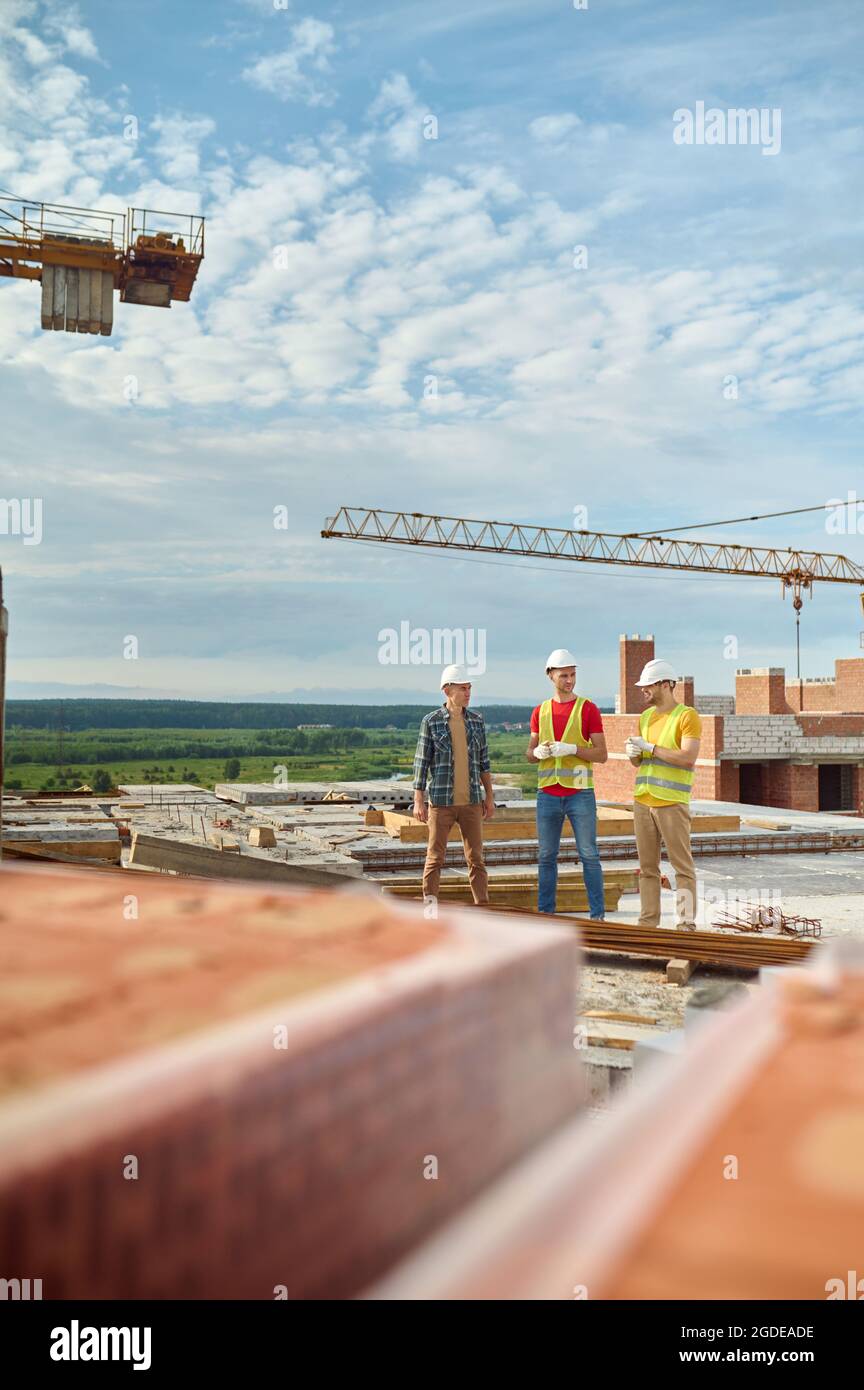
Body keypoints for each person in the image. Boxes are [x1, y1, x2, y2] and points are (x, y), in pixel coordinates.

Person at [525, 648, 606, 918]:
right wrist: (536, 754)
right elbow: (530, 753)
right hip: (547, 795)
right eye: (564, 676)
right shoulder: (540, 711)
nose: (569, 680)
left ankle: (598, 917)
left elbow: (601, 754)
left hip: (580, 794)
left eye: (572, 675)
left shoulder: (588, 709)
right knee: (546, 857)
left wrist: (572, 749)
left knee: (589, 855)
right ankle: (546, 915)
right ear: (550, 676)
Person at [625, 659, 702, 930]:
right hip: (643, 800)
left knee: (682, 867)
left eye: (648, 685)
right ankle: (647, 924)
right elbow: (642, 761)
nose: (643, 690)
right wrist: (635, 755)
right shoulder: (646, 717)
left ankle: (686, 924)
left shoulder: (686, 716)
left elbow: (688, 758)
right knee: (647, 869)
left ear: (665, 684)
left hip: (671, 804)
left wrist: (652, 747)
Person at [413, 664, 494, 906]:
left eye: (469, 688)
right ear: (447, 690)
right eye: (463, 688)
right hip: (441, 803)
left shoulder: (477, 721)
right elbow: (421, 763)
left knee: (476, 859)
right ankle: (429, 909)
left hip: (471, 802)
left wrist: (489, 796)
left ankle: (483, 908)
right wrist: (418, 801)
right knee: (435, 858)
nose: (468, 693)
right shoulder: (431, 722)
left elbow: (484, 762)